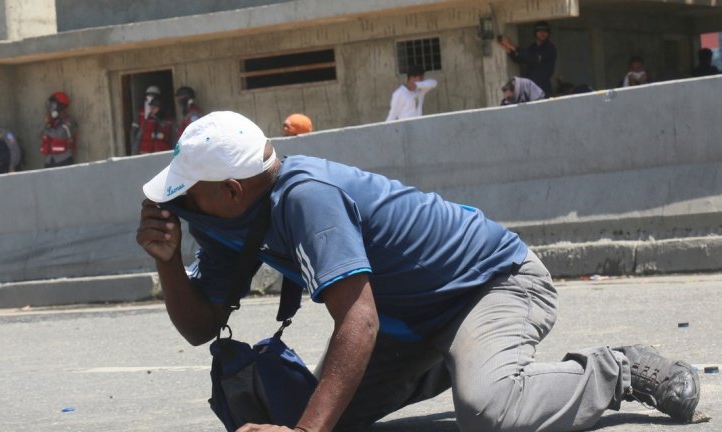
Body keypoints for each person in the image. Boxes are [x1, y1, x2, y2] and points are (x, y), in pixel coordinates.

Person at [137, 111, 701, 432]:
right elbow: (201, 327)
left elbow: (357, 323)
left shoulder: (308, 197)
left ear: (233, 188)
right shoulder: (221, 220)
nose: (178, 201)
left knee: (489, 412)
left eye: (189, 189)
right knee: (327, 417)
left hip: (494, 283)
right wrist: (168, 265)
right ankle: (455, 362)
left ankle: (620, 371)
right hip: (415, 321)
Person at [497, 21, 557, 98]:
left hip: (542, 85)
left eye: (545, 31)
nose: (542, 33)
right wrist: (508, 50)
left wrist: (511, 45)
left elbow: (533, 58)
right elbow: (521, 59)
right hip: (531, 85)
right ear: (535, 32)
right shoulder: (532, 47)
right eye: (540, 31)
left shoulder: (550, 48)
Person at [40, 91, 78, 168]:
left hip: (63, 160)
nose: (51, 108)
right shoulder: (52, 121)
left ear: (61, 106)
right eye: (50, 105)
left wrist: (46, 129)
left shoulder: (69, 121)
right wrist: (48, 124)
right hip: (49, 160)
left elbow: (59, 134)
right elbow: (38, 133)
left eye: (53, 105)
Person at [131, 85, 162, 154]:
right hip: (143, 146)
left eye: (153, 95)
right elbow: (134, 131)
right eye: (148, 95)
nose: (150, 97)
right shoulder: (140, 111)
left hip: (157, 147)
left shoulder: (163, 114)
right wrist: (134, 147)